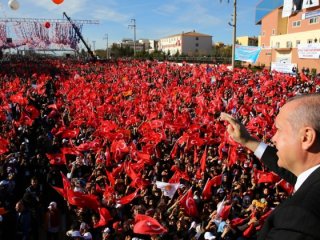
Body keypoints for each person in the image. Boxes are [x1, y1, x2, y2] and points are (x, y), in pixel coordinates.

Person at [220, 93, 320, 239]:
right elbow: (292, 172)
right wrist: (247, 141)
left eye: (279, 129)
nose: (273, 138)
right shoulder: (313, 179)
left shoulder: (298, 217)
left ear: (306, 137)